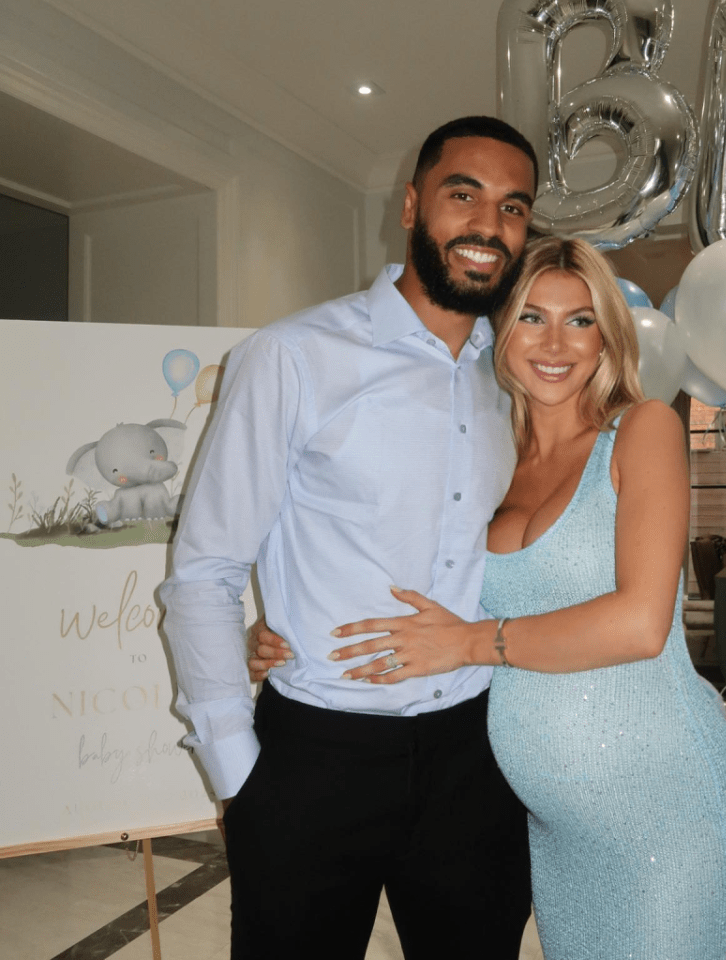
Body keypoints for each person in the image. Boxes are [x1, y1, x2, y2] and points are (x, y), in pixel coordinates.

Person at [254, 236, 726, 960]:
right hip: (549, 827)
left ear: (608, 336)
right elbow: (388, 558)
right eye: (531, 318)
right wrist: (281, 629)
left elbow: (641, 623)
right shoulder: (490, 453)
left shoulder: (643, 431)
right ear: (498, 331)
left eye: (580, 321)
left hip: (664, 812)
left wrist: (468, 643)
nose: (556, 343)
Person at [160, 116, 538, 960]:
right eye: (463, 194)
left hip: (475, 757)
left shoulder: (512, 378)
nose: (488, 225)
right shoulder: (295, 356)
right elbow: (205, 571)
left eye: (513, 208)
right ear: (411, 205)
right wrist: (239, 773)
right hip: (316, 757)